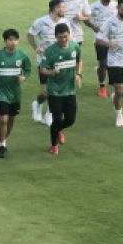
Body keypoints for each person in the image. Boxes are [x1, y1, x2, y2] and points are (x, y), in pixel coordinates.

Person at [0, 28, 31, 158]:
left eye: (15, 40)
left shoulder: (22, 56)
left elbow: (28, 69)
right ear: (5, 42)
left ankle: (2, 140)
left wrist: (24, 77)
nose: (13, 42)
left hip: (15, 94)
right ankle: (3, 145)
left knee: (11, 119)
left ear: (18, 41)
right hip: (1, 93)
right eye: (10, 40)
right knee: (3, 119)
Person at [39, 23, 82, 155]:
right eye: (60, 37)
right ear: (55, 37)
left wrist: (78, 74)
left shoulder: (74, 47)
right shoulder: (50, 51)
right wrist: (51, 73)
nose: (63, 39)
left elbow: (79, 61)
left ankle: (58, 130)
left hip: (70, 91)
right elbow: (42, 69)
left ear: (69, 34)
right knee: (57, 119)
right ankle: (53, 146)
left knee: (70, 120)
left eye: (65, 36)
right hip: (55, 92)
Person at [27, 0, 66, 125]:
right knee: (45, 92)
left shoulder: (65, 22)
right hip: (44, 60)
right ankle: (37, 104)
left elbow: (69, 39)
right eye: (62, 7)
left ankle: (49, 115)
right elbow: (30, 34)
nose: (64, 9)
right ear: (55, 9)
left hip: (59, 60)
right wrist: (35, 47)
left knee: (56, 90)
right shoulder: (41, 21)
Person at [57, 0, 93, 71]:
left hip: (77, 34)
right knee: (62, 57)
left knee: (74, 58)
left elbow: (89, 16)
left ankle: (76, 76)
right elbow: (53, 14)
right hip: (62, 34)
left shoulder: (83, 0)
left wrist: (81, 18)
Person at [89, 0, 118, 98]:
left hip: (114, 40)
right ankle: (102, 86)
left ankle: (104, 74)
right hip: (100, 40)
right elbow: (86, 17)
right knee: (103, 64)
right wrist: (92, 26)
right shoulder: (94, 6)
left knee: (112, 64)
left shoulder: (116, 5)